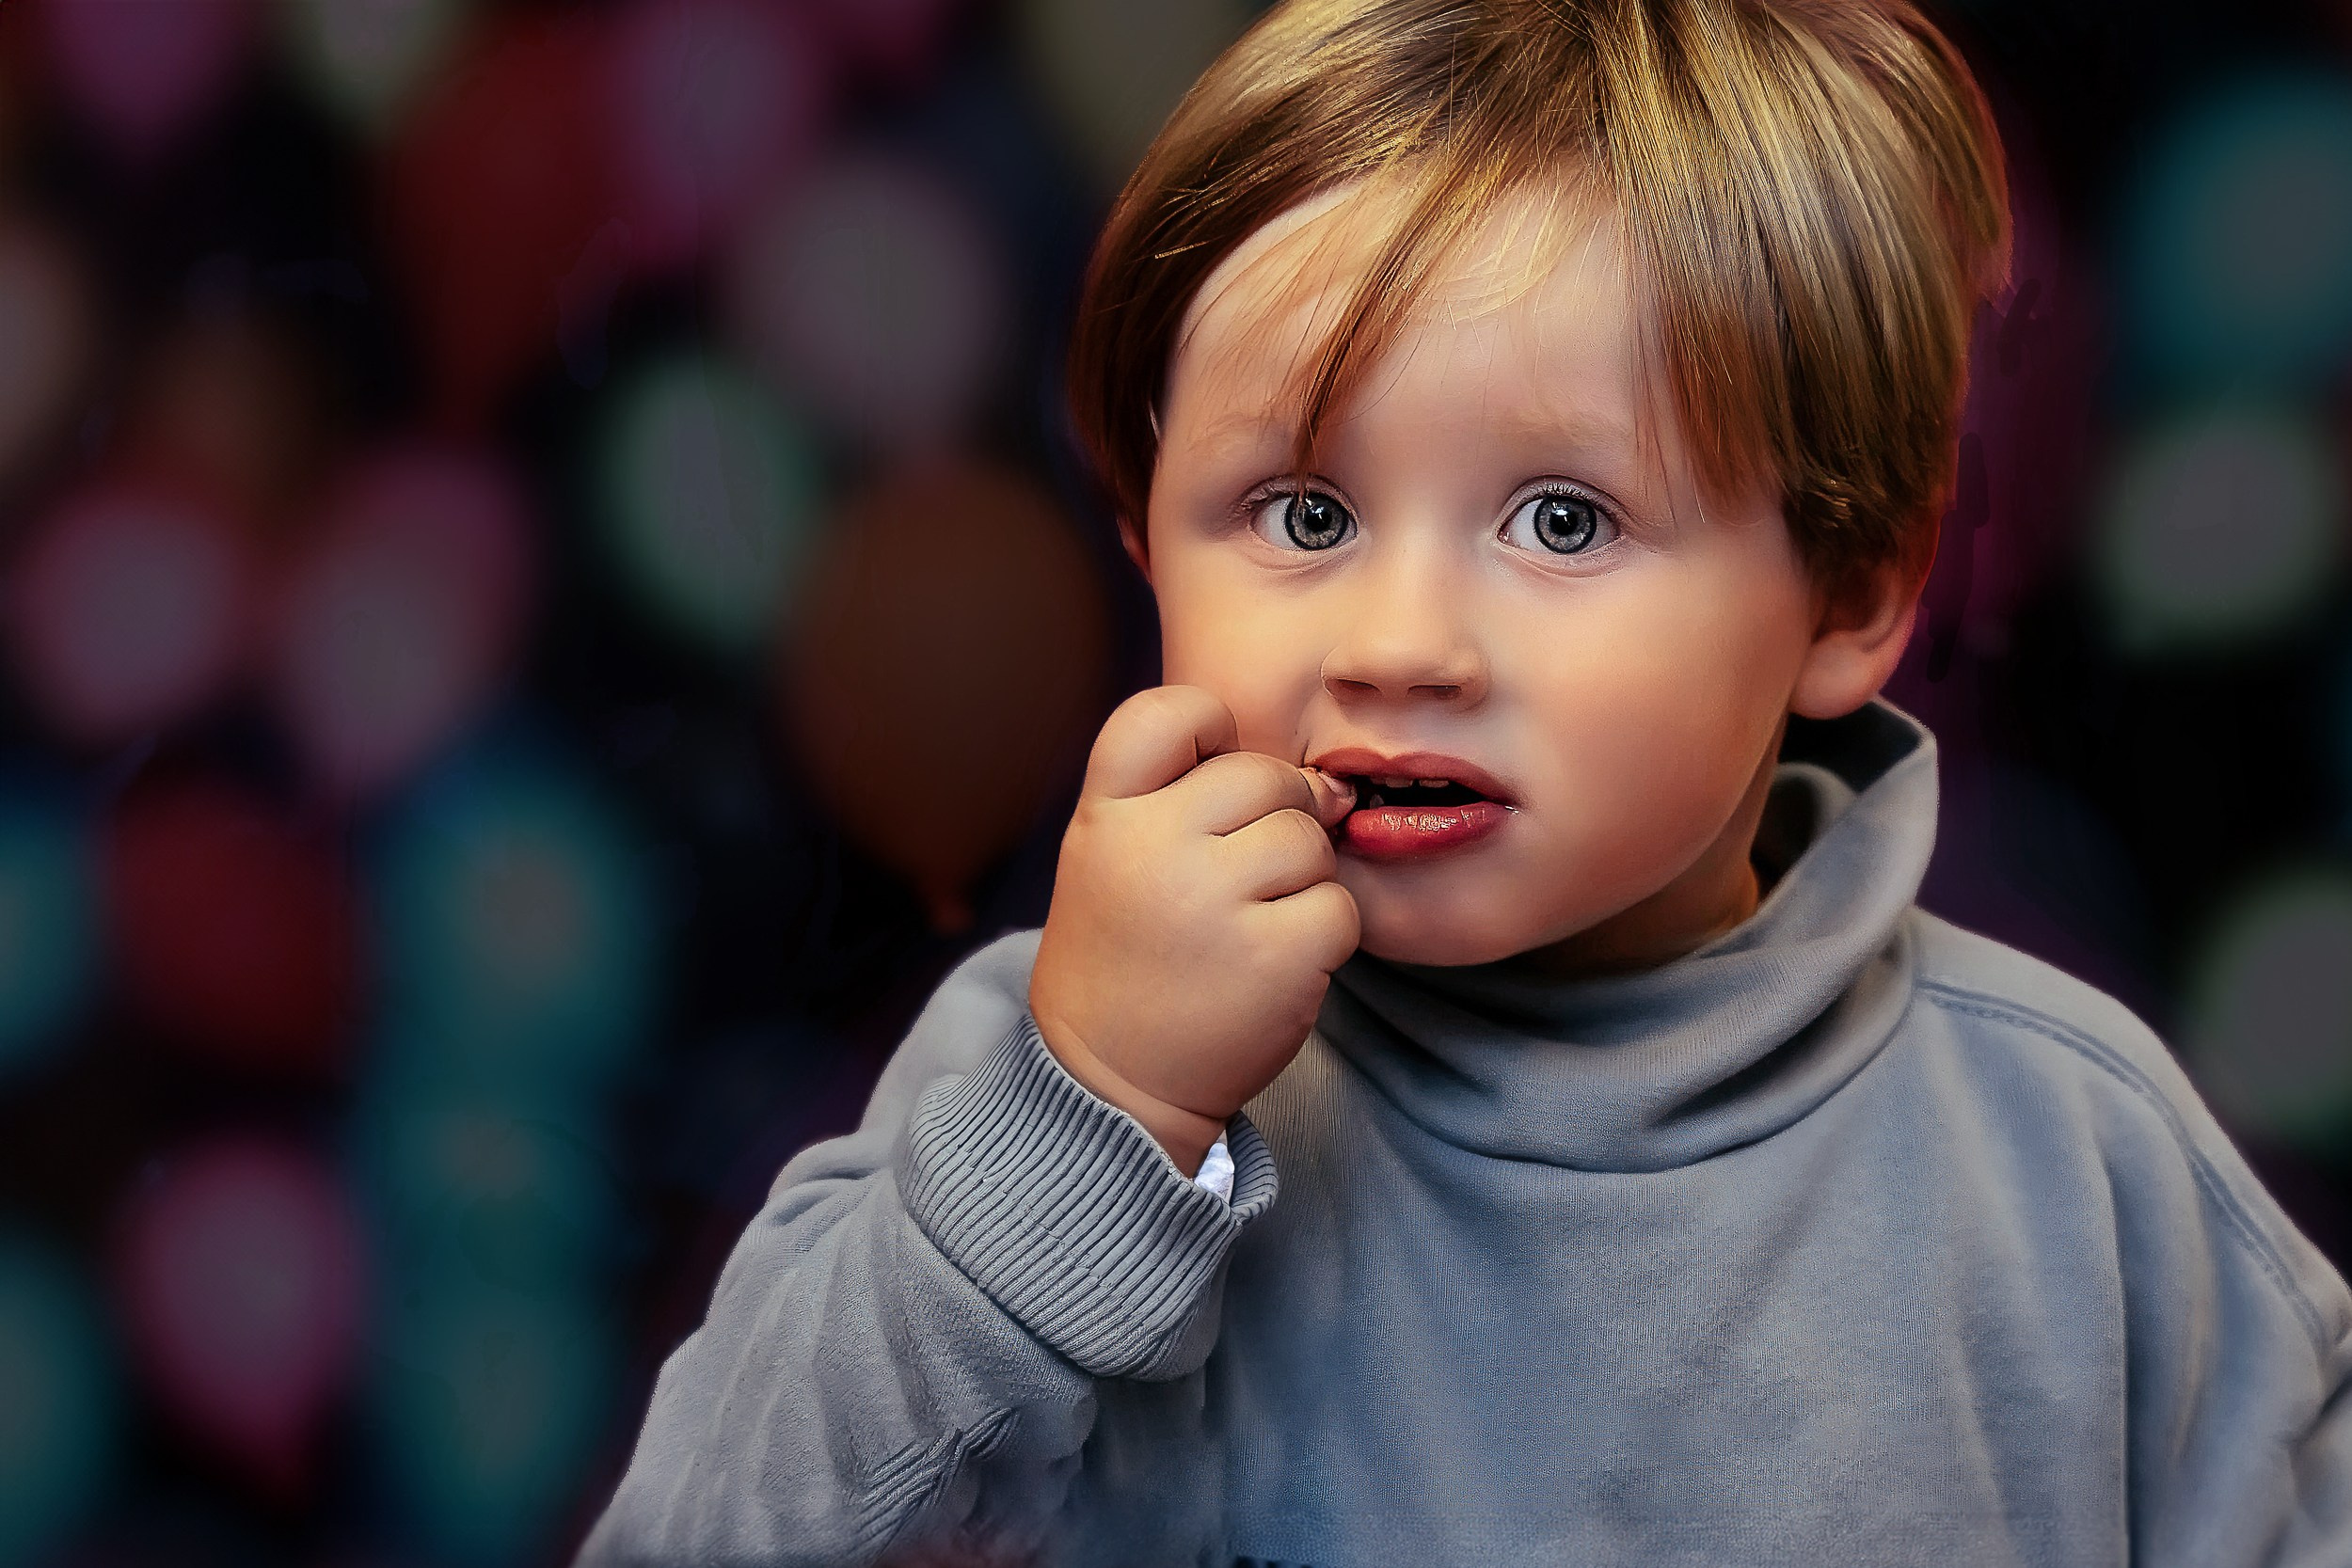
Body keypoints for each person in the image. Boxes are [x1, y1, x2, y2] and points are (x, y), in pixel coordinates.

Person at [578, 0, 2352, 1562]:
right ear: (1147, 546)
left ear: (1854, 590)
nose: (1399, 642)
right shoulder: (1044, 1082)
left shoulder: (2072, 1164)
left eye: (1562, 520)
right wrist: (1093, 1120)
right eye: (1306, 515)